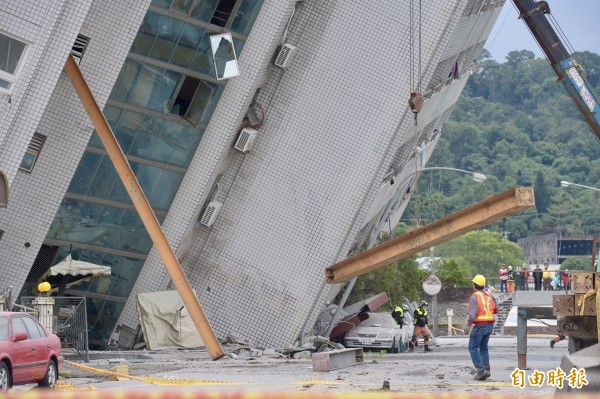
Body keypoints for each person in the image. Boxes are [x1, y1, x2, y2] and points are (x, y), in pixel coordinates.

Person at [467, 274, 498, 381]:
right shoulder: (489, 295)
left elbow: (473, 313)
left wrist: (469, 322)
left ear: (474, 285)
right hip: (490, 325)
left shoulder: (474, 296)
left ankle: (481, 371)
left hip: (480, 326)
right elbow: (496, 309)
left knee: (472, 348)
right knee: (484, 348)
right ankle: (486, 370)